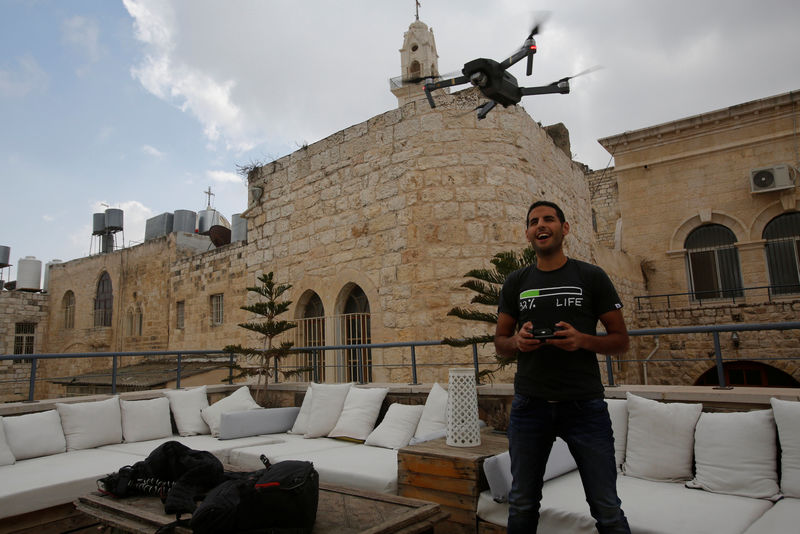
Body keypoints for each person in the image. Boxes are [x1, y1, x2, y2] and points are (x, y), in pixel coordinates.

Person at [494, 200, 631, 534]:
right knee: (523, 504)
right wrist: (517, 342)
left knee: (606, 508)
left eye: (549, 219)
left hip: (585, 406)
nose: (541, 225)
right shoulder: (516, 282)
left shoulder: (591, 276)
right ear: (528, 233)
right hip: (530, 407)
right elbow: (500, 343)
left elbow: (621, 340)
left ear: (564, 228)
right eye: (534, 221)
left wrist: (582, 340)